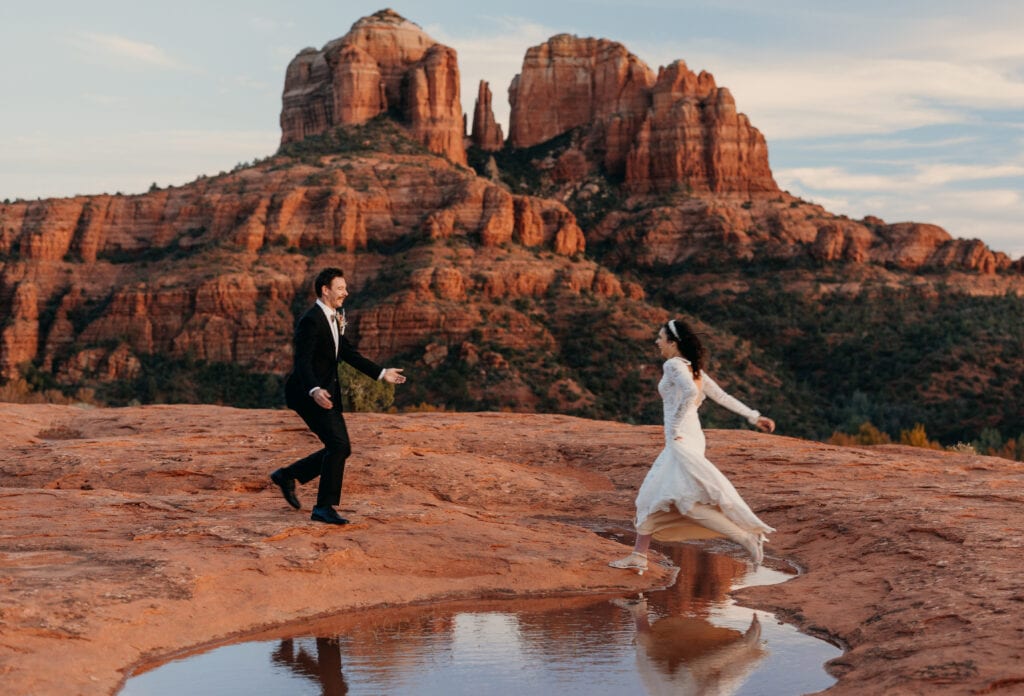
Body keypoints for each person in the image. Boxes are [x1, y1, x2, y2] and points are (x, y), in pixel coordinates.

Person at [609, 318, 775, 574]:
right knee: (652, 496)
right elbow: (721, 396)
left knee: (682, 501)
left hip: (681, 440)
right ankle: (638, 556)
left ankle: (744, 537)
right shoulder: (691, 368)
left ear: (673, 343)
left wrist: (674, 427)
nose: (657, 342)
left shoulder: (673, 365)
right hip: (689, 437)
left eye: (660, 338)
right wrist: (753, 416)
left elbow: (688, 394)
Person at [270, 267, 406, 525]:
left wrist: (381, 373)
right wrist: (314, 390)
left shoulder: (334, 316)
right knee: (339, 446)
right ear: (325, 290)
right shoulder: (311, 320)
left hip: (325, 391)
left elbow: (347, 353)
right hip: (307, 393)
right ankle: (323, 507)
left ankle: (288, 476)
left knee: (339, 447)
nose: (346, 292)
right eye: (341, 288)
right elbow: (302, 362)